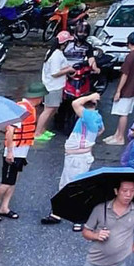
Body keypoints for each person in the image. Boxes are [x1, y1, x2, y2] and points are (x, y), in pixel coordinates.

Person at [40, 92, 101, 227]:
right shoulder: (96, 116)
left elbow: (75, 103)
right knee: (68, 184)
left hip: (77, 157)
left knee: (73, 186)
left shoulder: (88, 116)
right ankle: (59, 213)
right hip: (79, 156)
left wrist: (91, 96)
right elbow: (102, 130)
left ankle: (77, 218)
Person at [0, 83, 40, 221]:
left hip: (21, 151)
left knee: (13, 180)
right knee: (6, 182)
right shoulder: (22, 108)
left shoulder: (29, 108)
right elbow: (10, 130)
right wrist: (10, 152)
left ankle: (4, 207)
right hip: (14, 151)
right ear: (39, 97)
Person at [103, 33, 134, 145]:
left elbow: (125, 74)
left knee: (123, 114)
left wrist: (118, 90)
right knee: (123, 112)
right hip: (133, 88)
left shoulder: (130, 56)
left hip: (126, 89)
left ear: (128, 42)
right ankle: (117, 134)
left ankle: (120, 137)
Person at [34, 32, 75, 139]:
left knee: (52, 108)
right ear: (64, 43)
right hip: (53, 86)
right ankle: (38, 132)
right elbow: (55, 73)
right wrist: (69, 69)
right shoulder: (56, 55)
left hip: (54, 86)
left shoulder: (55, 53)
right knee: (48, 109)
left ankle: (43, 129)